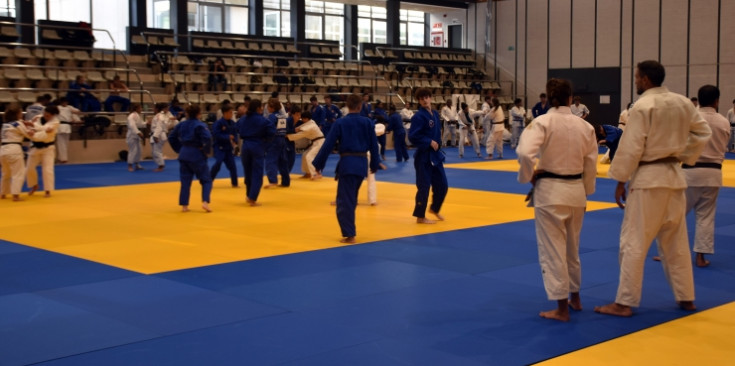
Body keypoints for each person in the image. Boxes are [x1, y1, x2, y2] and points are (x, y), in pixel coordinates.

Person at [594, 60, 711, 317]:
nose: (636, 82)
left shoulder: (643, 106)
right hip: (674, 177)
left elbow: (631, 145)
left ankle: (624, 302)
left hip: (648, 180)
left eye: (636, 78)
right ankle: (686, 297)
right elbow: (703, 132)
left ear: (645, 79)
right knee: (676, 243)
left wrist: (620, 180)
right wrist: (684, 155)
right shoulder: (682, 102)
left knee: (633, 242)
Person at [516, 78, 598, 322]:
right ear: (570, 99)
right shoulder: (586, 127)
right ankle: (575, 298)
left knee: (553, 250)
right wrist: (586, 191)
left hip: (550, 193)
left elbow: (523, 152)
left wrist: (528, 176)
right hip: (576, 192)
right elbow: (591, 163)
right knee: (572, 250)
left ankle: (561, 308)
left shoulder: (542, 122)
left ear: (550, 98)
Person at [312, 93, 383, 243]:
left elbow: (328, 145)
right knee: (351, 198)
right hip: (362, 164)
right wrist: (375, 164)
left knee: (345, 201)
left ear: (347, 106)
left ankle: (350, 234)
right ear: (360, 106)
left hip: (348, 163)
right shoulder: (368, 122)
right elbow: (374, 146)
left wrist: (318, 165)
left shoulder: (340, 123)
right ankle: (350, 230)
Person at [680, 85, 730, 267]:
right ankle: (700, 257)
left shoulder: (689, 118)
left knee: (676, 214)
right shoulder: (724, 122)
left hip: (690, 171)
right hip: (713, 172)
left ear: (699, 100)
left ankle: (668, 253)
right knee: (706, 216)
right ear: (716, 101)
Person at [409, 88, 448, 224]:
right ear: (419, 101)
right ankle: (420, 216)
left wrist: (438, 142)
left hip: (436, 156)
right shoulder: (418, 117)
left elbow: (437, 131)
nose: (425, 100)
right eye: (422, 99)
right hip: (423, 157)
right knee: (424, 187)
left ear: (431, 98)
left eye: (427, 97)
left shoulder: (435, 114)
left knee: (443, 185)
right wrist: (429, 141)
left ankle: (435, 208)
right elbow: (413, 136)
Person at [168, 104, 213, 213]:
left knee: (185, 181)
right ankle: (205, 202)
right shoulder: (200, 125)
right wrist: (206, 150)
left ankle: (184, 205)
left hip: (184, 153)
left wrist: (179, 149)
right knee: (206, 179)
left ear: (187, 114)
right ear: (199, 114)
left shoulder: (181, 124)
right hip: (196, 153)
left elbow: (171, 137)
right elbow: (208, 138)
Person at [238, 99, 275, 206]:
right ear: (259, 108)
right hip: (257, 145)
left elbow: (237, 128)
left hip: (245, 146)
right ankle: (252, 198)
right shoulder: (263, 120)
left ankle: (248, 194)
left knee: (248, 172)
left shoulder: (243, 119)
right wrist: (265, 143)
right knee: (257, 173)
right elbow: (272, 132)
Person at [26, 105, 60, 197]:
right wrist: (31, 129)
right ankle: (34, 185)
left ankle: (47, 190)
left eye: (48, 115)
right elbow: (31, 128)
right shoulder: (37, 118)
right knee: (29, 168)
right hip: (35, 147)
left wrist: (33, 128)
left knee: (47, 169)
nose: (45, 116)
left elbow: (46, 133)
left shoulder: (55, 122)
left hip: (48, 148)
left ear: (53, 115)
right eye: (45, 114)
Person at [1, 106, 33, 201]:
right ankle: (15, 195)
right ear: (16, 114)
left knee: (6, 173)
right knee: (18, 173)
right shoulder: (17, 123)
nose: (21, 114)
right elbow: (27, 134)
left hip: (3, 149)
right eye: (20, 113)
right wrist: (31, 128)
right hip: (14, 149)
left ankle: (3, 193)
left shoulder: (5, 125)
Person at [288, 110, 323, 180]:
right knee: (304, 155)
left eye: (302, 118)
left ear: (306, 119)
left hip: (319, 142)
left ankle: (316, 173)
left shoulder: (310, 127)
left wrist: (288, 136)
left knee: (309, 156)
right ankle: (308, 173)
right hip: (315, 142)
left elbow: (299, 135)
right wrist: (296, 129)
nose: (302, 120)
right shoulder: (310, 122)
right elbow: (302, 126)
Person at [264, 98, 290, 188]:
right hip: (282, 139)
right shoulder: (282, 116)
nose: (267, 107)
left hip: (273, 140)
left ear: (272, 107)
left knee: (270, 160)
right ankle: (285, 181)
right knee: (282, 161)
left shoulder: (272, 116)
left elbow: (269, 129)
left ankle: (273, 181)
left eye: (268, 105)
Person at [55, 97, 82, 164]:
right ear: (61, 102)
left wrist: (72, 112)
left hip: (67, 126)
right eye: (64, 102)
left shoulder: (69, 107)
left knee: (65, 144)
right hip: (60, 125)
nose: (65, 103)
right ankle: (63, 159)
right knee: (61, 144)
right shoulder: (57, 108)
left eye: (66, 102)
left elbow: (78, 111)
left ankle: (62, 158)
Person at [150, 102, 175, 172]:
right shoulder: (161, 116)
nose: (153, 109)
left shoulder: (159, 116)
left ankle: (161, 165)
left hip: (159, 134)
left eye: (154, 108)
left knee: (157, 151)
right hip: (159, 134)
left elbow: (159, 127)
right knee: (155, 152)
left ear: (157, 109)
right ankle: (160, 164)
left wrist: (156, 136)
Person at [126, 104, 145, 172]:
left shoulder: (137, 115)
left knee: (139, 150)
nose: (141, 110)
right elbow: (132, 125)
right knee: (133, 150)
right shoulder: (132, 115)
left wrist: (146, 123)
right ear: (136, 109)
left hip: (136, 135)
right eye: (140, 108)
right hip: (132, 135)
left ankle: (137, 164)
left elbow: (140, 124)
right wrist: (138, 133)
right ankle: (130, 165)